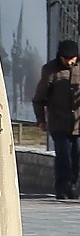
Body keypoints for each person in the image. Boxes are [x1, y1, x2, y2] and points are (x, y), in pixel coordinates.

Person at [34, 39, 80, 199]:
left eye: (72, 58)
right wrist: (41, 119)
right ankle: (62, 188)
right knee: (63, 156)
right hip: (59, 122)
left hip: (78, 124)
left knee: (77, 156)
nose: (69, 61)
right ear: (60, 57)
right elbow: (39, 97)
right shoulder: (50, 70)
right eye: (66, 58)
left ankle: (74, 186)